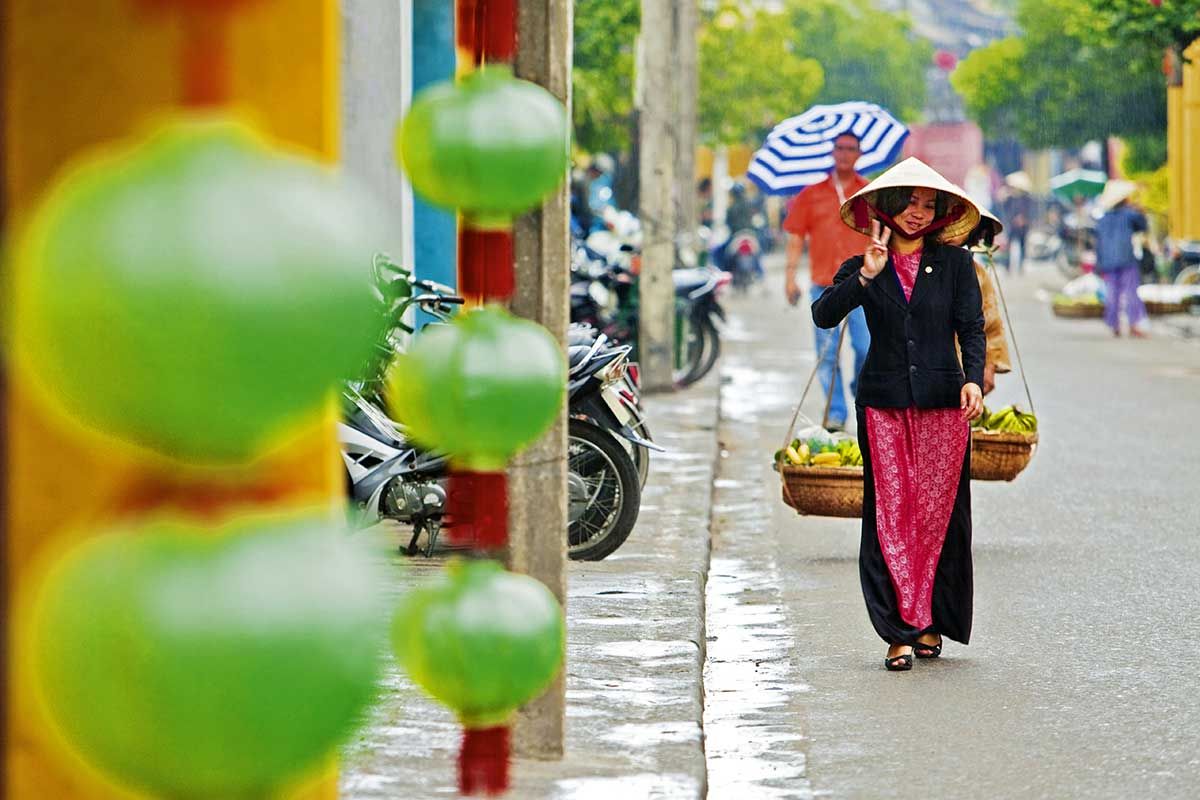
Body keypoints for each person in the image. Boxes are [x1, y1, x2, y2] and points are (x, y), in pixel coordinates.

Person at [811, 157, 985, 671]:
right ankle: (899, 630)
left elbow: (971, 328)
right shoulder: (865, 263)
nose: (917, 213)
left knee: (934, 513)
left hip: (942, 404)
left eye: (927, 205)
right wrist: (865, 277)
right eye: (909, 202)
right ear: (888, 206)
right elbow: (824, 316)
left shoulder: (955, 264)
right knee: (892, 512)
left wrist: (973, 377)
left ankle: (929, 619)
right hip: (883, 403)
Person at [783, 131, 871, 432]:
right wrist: (790, 278)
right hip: (824, 285)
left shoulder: (869, 194)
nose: (845, 153)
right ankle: (836, 412)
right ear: (832, 153)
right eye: (840, 148)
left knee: (866, 347)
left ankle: (860, 390)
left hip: (863, 286)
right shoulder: (811, 194)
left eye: (851, 149)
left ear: (859, 154)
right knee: (826, 354)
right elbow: (796, 236)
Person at [946, 208, 1012, 395]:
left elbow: (990, 325)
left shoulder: (977, 274)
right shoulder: (914, 265)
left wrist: (988, 366)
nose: (953, 230)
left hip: (964, 371)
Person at [1094, 179, 1149, 338]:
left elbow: (1098, 242)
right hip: (1126, 258)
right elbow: (1143, 226)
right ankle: (1133, 324)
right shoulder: (1129, 214)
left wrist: (1099, 262)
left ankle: (1114, 325)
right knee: (1131, 292)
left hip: (1108, 261)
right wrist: (1139, 210)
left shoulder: (1102, 218)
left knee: (1112, 293)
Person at [1001, 171, 1034, 274]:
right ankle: (1007, 266)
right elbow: (1005, 211)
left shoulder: (1027, 198)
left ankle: (1021, 267)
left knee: (1023, 247)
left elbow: (1031, 212)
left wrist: (1024, 219)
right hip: (1012, 226)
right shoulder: (1009, 198)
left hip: (1023, 227)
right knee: (1008, 247)